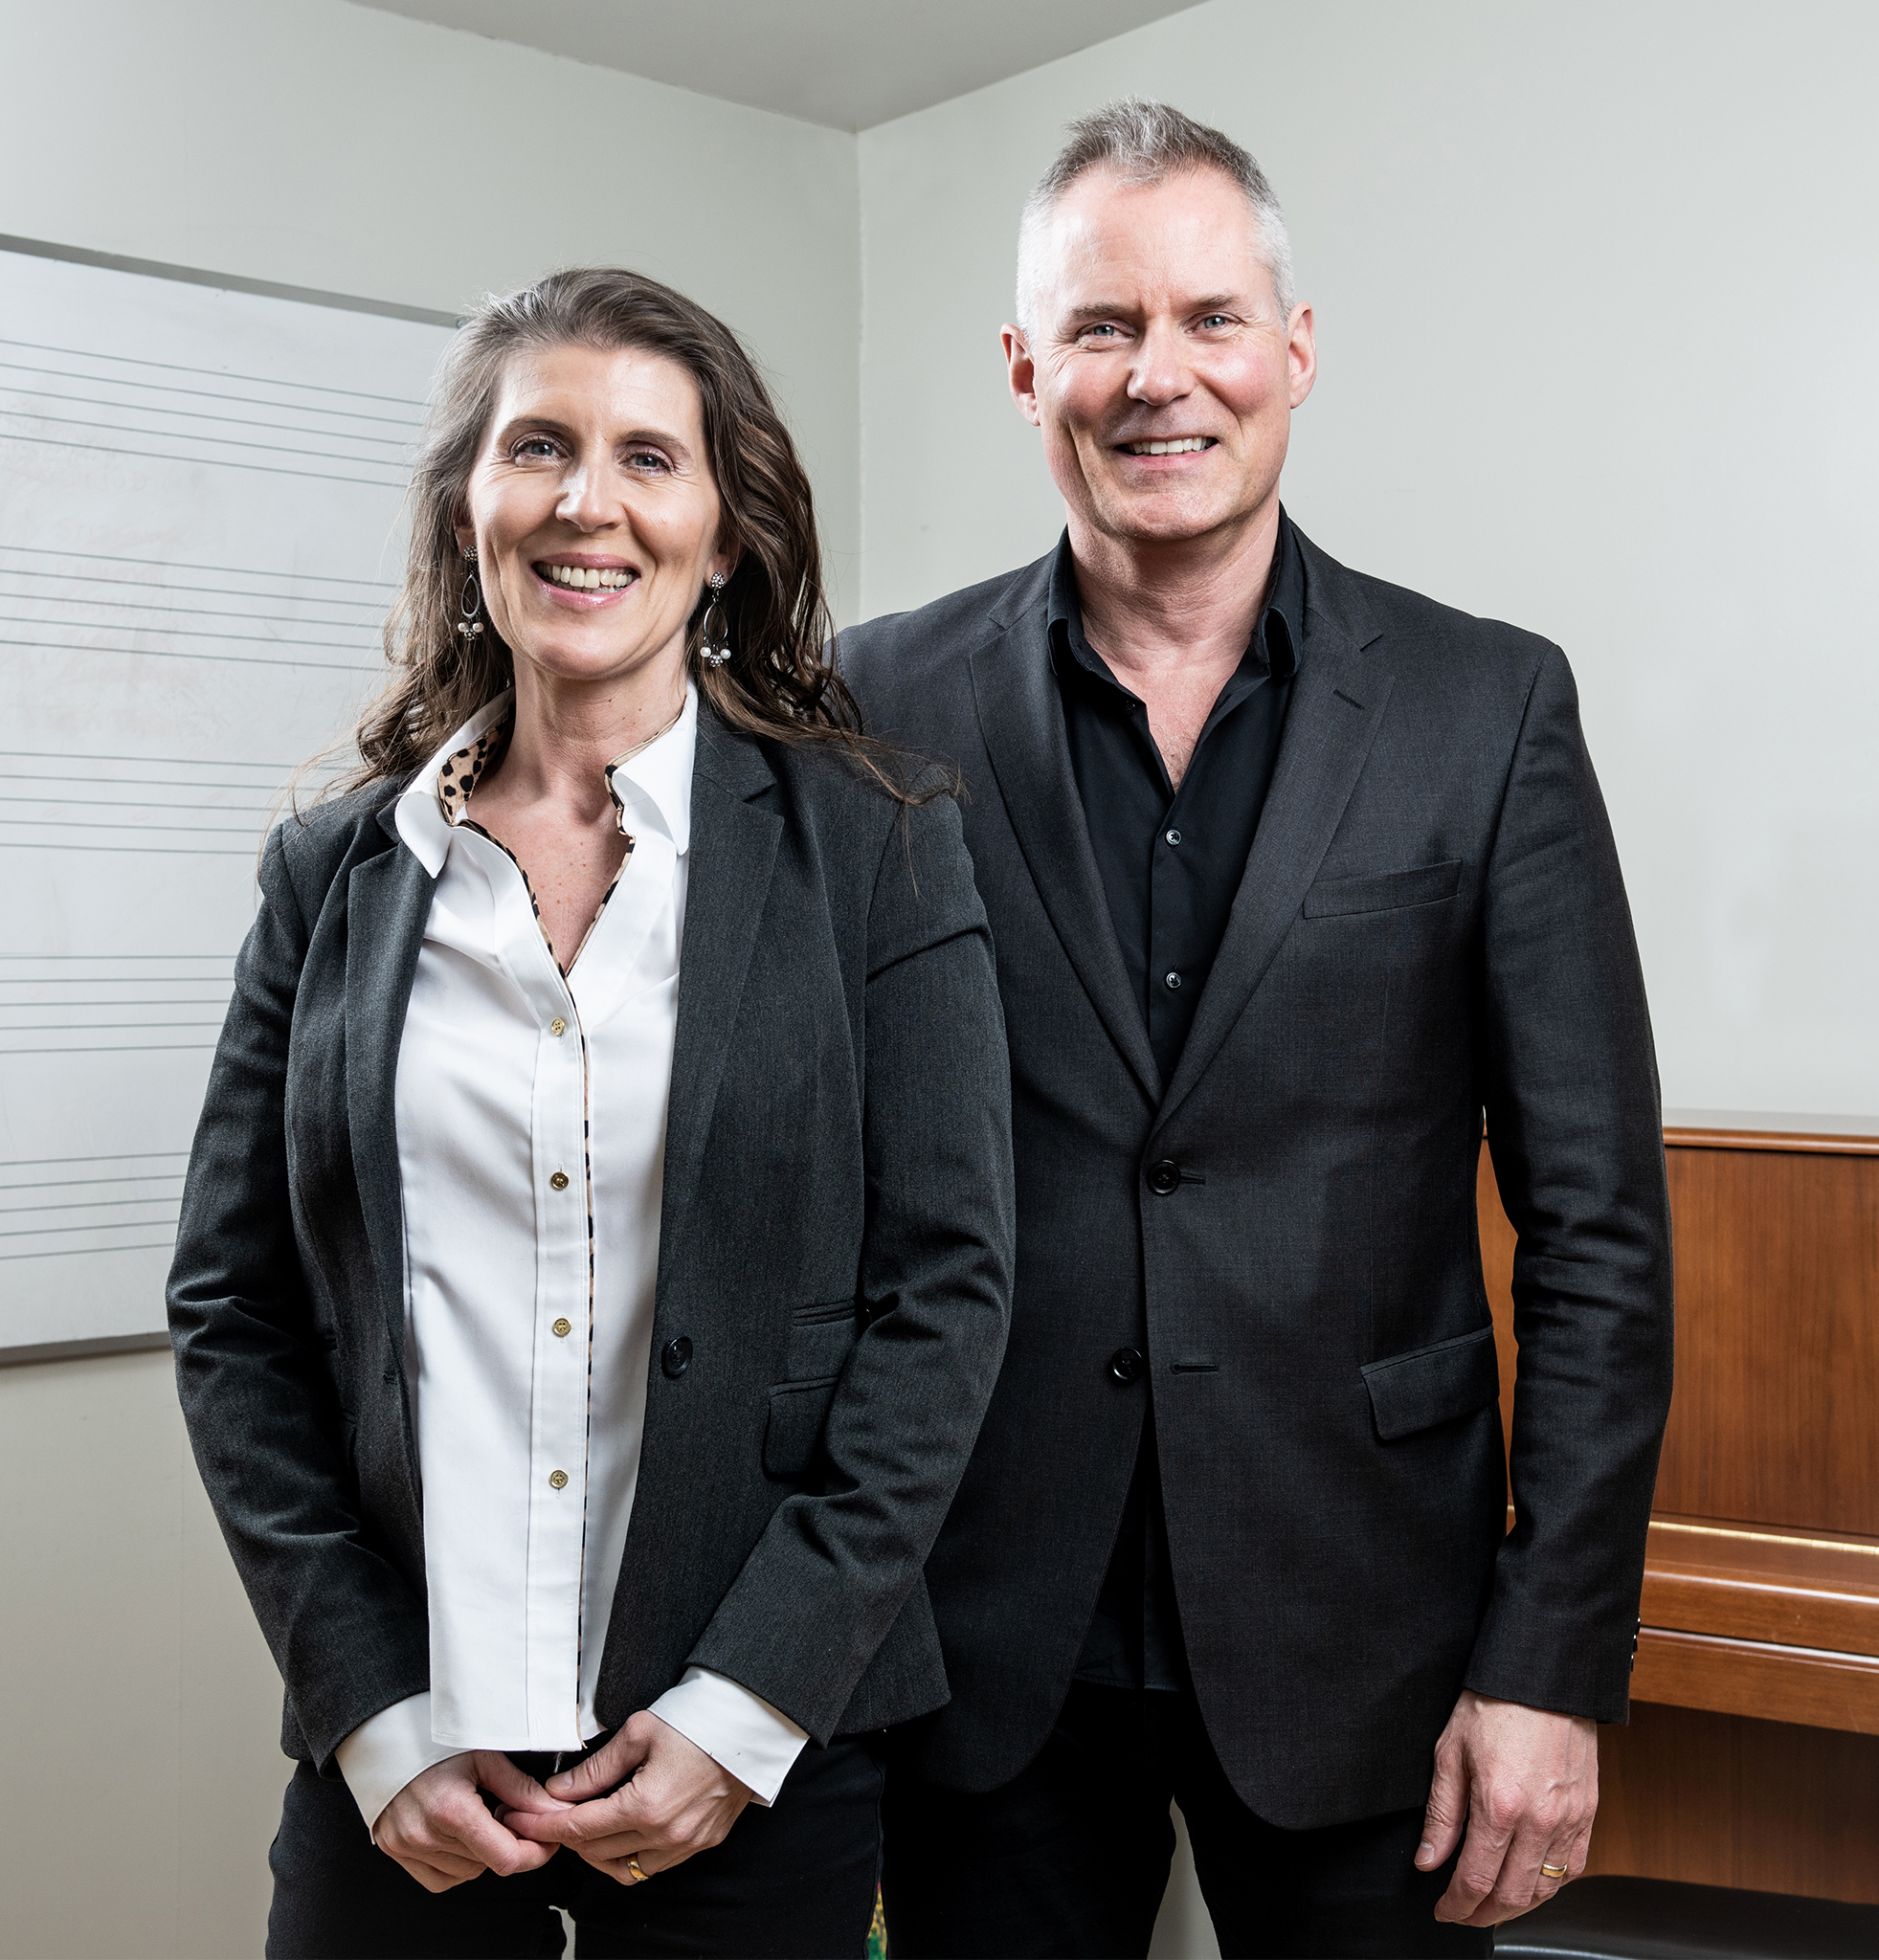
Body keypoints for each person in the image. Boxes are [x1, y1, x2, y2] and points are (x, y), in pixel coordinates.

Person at [838, 100, 1673, 1959]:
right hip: (978, 1645)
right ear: (1024, 368)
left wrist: (1551, 1659)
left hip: (1376, 1637)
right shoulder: (872, 703)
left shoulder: (1487, 708)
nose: (1162, 375)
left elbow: (1599, 1231)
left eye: (1210, 317)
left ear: (1293, 351)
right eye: (1103, 325)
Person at [168, 266, 1015, 1960]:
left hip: (743, 1763)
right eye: (538, 447)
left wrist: (748, 1706)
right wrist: (369, 1711)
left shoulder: (880, 845)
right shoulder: (331, 873)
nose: (586, 502)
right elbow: (233, 1310)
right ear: (468, 510)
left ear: (725, 530)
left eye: (648, 457)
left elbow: (948, 1298)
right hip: (405, 1774)